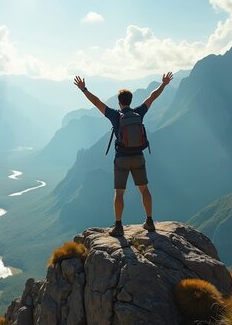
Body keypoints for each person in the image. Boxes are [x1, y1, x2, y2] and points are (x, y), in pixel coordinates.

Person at [73, 72, 173, 236]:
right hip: (138, 156)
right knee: (144, 189)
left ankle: (118, 226)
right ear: (130, 101)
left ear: (119, 103)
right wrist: (164, 84)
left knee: (119, 192)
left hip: (121, 159)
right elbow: (152, 97)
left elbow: (97, 102)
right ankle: (149, 221)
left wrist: (84, 89)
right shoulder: (139, 112)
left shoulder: (114, 115)